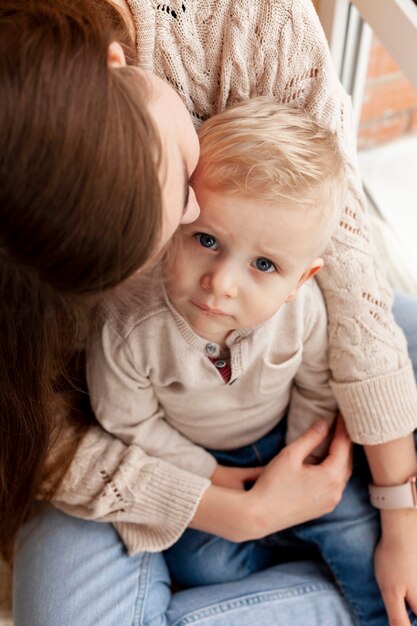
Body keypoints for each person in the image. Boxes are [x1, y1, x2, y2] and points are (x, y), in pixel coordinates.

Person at [0, 0, 414, 625]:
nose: (218, 284)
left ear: (117, 66)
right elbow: (93, 420)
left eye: (181, 191)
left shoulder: (252, 22)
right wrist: (218, 501)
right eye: (195, 238)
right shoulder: (130, 332)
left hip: (285, 425)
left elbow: (347, 288)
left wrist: (397, 509)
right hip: (115, 439)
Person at [87, 97, 390, 626]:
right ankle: (287, 554)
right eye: (206, 240)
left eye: (264, 265)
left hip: (290, 446)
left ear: (301, 279)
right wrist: (213, 479)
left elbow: (319, 385)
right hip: (200, 461)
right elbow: (126, 420)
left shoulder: (305, 313)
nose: (221, 284)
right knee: (203, 564)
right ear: (177, 219)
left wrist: (298, 460)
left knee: (358, 530)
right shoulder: (128, 324)